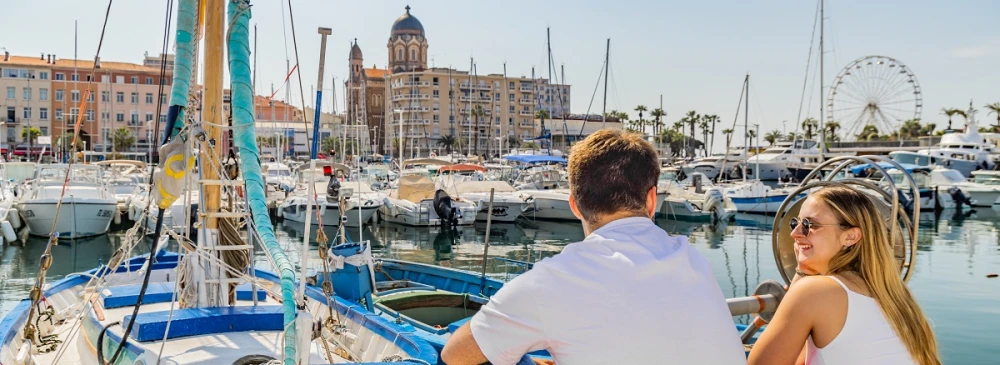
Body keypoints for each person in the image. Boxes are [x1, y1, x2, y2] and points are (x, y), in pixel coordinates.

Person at [441, 130, 745, 365]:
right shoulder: (693, 260)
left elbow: (455, 355)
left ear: (575, 205)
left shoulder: (553, 281)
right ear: (652, 200)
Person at [748, 186, 940, 365]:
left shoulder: (814, 293)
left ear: (850, 237)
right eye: (795, 223)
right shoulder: (899, 298)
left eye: (809, 224)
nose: (795, 234)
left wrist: (801, 274)